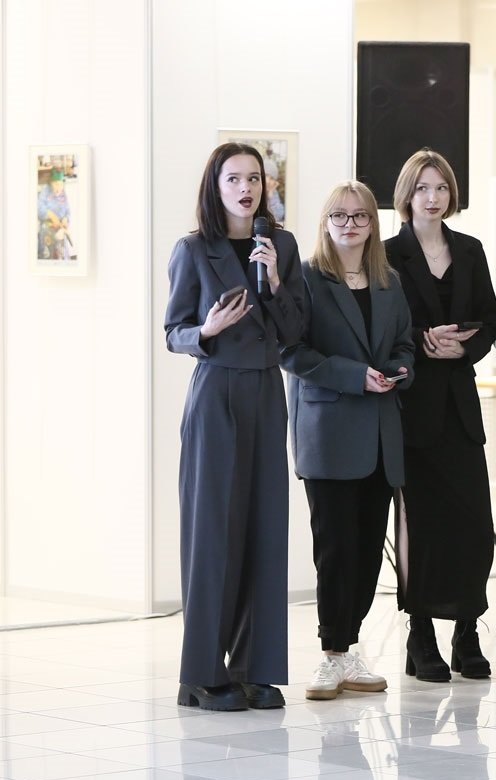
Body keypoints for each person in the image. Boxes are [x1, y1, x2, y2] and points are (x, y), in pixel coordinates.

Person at [164, 143, 305, 711]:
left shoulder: (282, 246)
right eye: (234, 179)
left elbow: (296, 329)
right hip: (216, 393)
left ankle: (254, 668)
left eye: (254, 178)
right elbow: (173, 331)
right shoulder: (193, 249)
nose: (246, 188)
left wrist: (275, 280)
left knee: (265, 531)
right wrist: (206, 329)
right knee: (213, 535)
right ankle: (201, 674)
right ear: (215, 186)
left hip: (267, 392)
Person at [281, 181, 415, 700]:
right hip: (330, 433)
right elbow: (292, 352)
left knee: (366, 550)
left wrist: (399, 370)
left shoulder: (388, 281)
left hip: (380, 433)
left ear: (373, 224)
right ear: (325, 222)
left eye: (360, 216)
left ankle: (348, 649)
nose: (350, 224)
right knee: (335, 549)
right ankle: (331, 653)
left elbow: (404, 344)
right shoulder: (306, 278)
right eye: (339, 215)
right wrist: (355, 376)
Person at [384, 149, 496, 681]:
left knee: (474, 524)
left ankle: (467, 632)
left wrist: (464, 348)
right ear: (407, 195)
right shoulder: (386, 255)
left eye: (442, 188)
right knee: (422, 527)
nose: (433, 198)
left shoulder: (470, 250)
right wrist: (421, 340)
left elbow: (491, 322)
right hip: (413, 406)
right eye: (423, 188)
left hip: (460, 405)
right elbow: (383, 327)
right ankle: (421, 634)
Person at [37, 168, 73, 260]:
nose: (58, 188)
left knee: (62, 257)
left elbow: (68, 211)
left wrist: (66, 219)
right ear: (51, 183)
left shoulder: (63, 192)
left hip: (60, 230)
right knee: (50, 258)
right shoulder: (45, 191)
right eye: (56, 184)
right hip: (48, 231)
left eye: (60, 184)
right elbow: (39, 209)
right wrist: (51, 215)